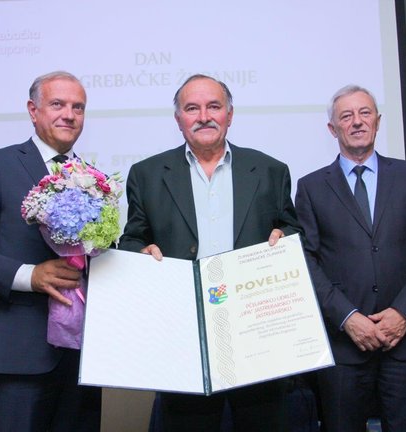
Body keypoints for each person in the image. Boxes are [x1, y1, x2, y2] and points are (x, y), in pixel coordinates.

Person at [119, 74, 302, 431]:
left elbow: (294, 231)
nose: (204, 116)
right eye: (192, 108)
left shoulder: (270, 170)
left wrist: (285, 239)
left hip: (257, 331)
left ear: (229, 115)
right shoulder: (146, 174)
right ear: (178, 119)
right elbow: (131, 240)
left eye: (214, 106)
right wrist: (141, 252)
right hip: (183, 335)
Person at [0, 71, 102, 432]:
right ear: (33, 110)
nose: (69, 115)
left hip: (83, 357)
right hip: (20, 355)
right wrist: (30, 275)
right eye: (57, 104)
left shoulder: (94, 178)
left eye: (78, 107)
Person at [294, 84, 406, 431]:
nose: (357, 122)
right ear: (332, 129)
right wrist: (347, 317)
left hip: (405, 340)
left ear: (378, 121)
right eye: (346, 116)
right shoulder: (311, 187)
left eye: (365, 113)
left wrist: (404, 314)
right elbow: (306, 261)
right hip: (343, 344)